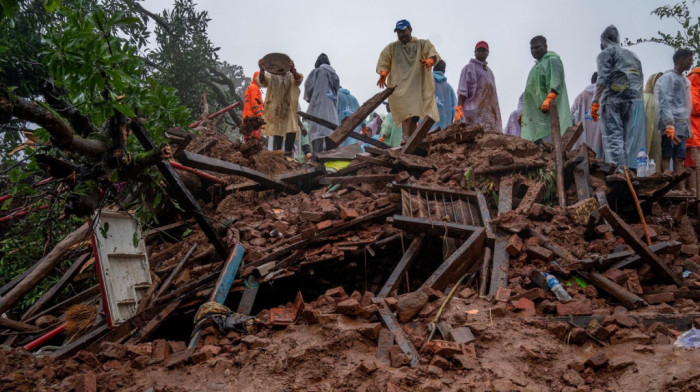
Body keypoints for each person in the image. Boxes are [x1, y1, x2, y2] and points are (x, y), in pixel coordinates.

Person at [591, 25, 645, 171]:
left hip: (612, 101)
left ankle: (617, 173)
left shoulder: (606, 53)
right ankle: (624, 170)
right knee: (625, 140)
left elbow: (602, 79)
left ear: (603, 41)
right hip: (631, 100)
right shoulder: (632, 55)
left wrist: (595, 100)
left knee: (613, 138)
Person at [377, 19, 440, 139]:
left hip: (417, 86)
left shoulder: (421, 44)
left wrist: (430, 60)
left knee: (414, 115)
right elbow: (385, 60)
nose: (401, 34)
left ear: (410, 30)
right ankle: (406, 136)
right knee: (405, 110)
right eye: (398, 32)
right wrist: (384, 73)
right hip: (400, 86)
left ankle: (411, 136)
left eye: (403, 31)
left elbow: (432, 52)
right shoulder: (392, 48)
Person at [654, 48, 694, 189]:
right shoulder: (667, 78)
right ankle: (667, 185)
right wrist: (668, 123)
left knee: (679, 157)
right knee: (667, 154)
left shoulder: (684, 80)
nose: (691, 62)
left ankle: (681, 187)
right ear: (680, 60)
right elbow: (665, 101)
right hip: (670, 123)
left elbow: (687, 105)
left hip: (681, 123)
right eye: (689, 59)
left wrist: (688, 125)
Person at [520, 36, 571, 142]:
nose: (534, 51)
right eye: (532, 49)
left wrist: (550, 98)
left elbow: (556, 81)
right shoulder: (534, 69)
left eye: (537, 47)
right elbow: (532, 93)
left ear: (545, 46)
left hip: (550, 112)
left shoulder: (552, 60)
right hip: (538, 115)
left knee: (551, 141)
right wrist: (527, 113)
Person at [257, 59, 303, 155]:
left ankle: (288, 156)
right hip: (277, 112)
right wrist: (261, 69)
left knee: (291, 132)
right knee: (277, 134)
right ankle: (277, 158)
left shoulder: (292, 76)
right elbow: (262, 81)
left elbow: (299, 79)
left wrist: (293, 70)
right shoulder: (272, 76)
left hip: (290, 111)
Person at [455, 41, 502, 133]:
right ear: (474, 52)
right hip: (474, 114)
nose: (481, 52)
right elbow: (462, 90)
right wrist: (459, 109)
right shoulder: (469, 67)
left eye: (483, 50)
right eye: (478, 50)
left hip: (489, 115)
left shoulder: (490, 72)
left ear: (487, 53)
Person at [304, 53, 340, 153]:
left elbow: (308, 91)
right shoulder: (335, 76)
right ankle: (331, 167)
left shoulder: (317, 71)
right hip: (332, 116)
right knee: (331, 146)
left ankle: (317, 165)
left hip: (318, 113)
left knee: (317, 143)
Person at [570, 72, 603, 158]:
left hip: (581, 144)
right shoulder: (607, 97)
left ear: (592, 81)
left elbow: (571, 117)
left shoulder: (581, 96)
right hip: (599, 145)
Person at [644, 72, 664, 172]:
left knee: (656, 152)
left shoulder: (662, 99)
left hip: (657, 131)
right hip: (644, 130)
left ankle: (656, 173)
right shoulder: (644, 97)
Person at [432, 60, 456, 131]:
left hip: (426, 129)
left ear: (433, 68)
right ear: (444, 71)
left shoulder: (426, 82)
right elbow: (455, 107)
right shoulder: (449, 88)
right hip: (444, 128)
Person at [688, 66, 700, 194]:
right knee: (694, 167)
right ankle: (694, 194)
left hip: (697, 135)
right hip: (692, 136)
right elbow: (695, 108)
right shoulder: (690, 89)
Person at [242, 71, 264, 141]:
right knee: (252, 139)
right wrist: (259, 115)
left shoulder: (253, 87)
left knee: (249, 138)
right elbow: (254, 103)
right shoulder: (254, 88)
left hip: (249, 117)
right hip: (252, 118)